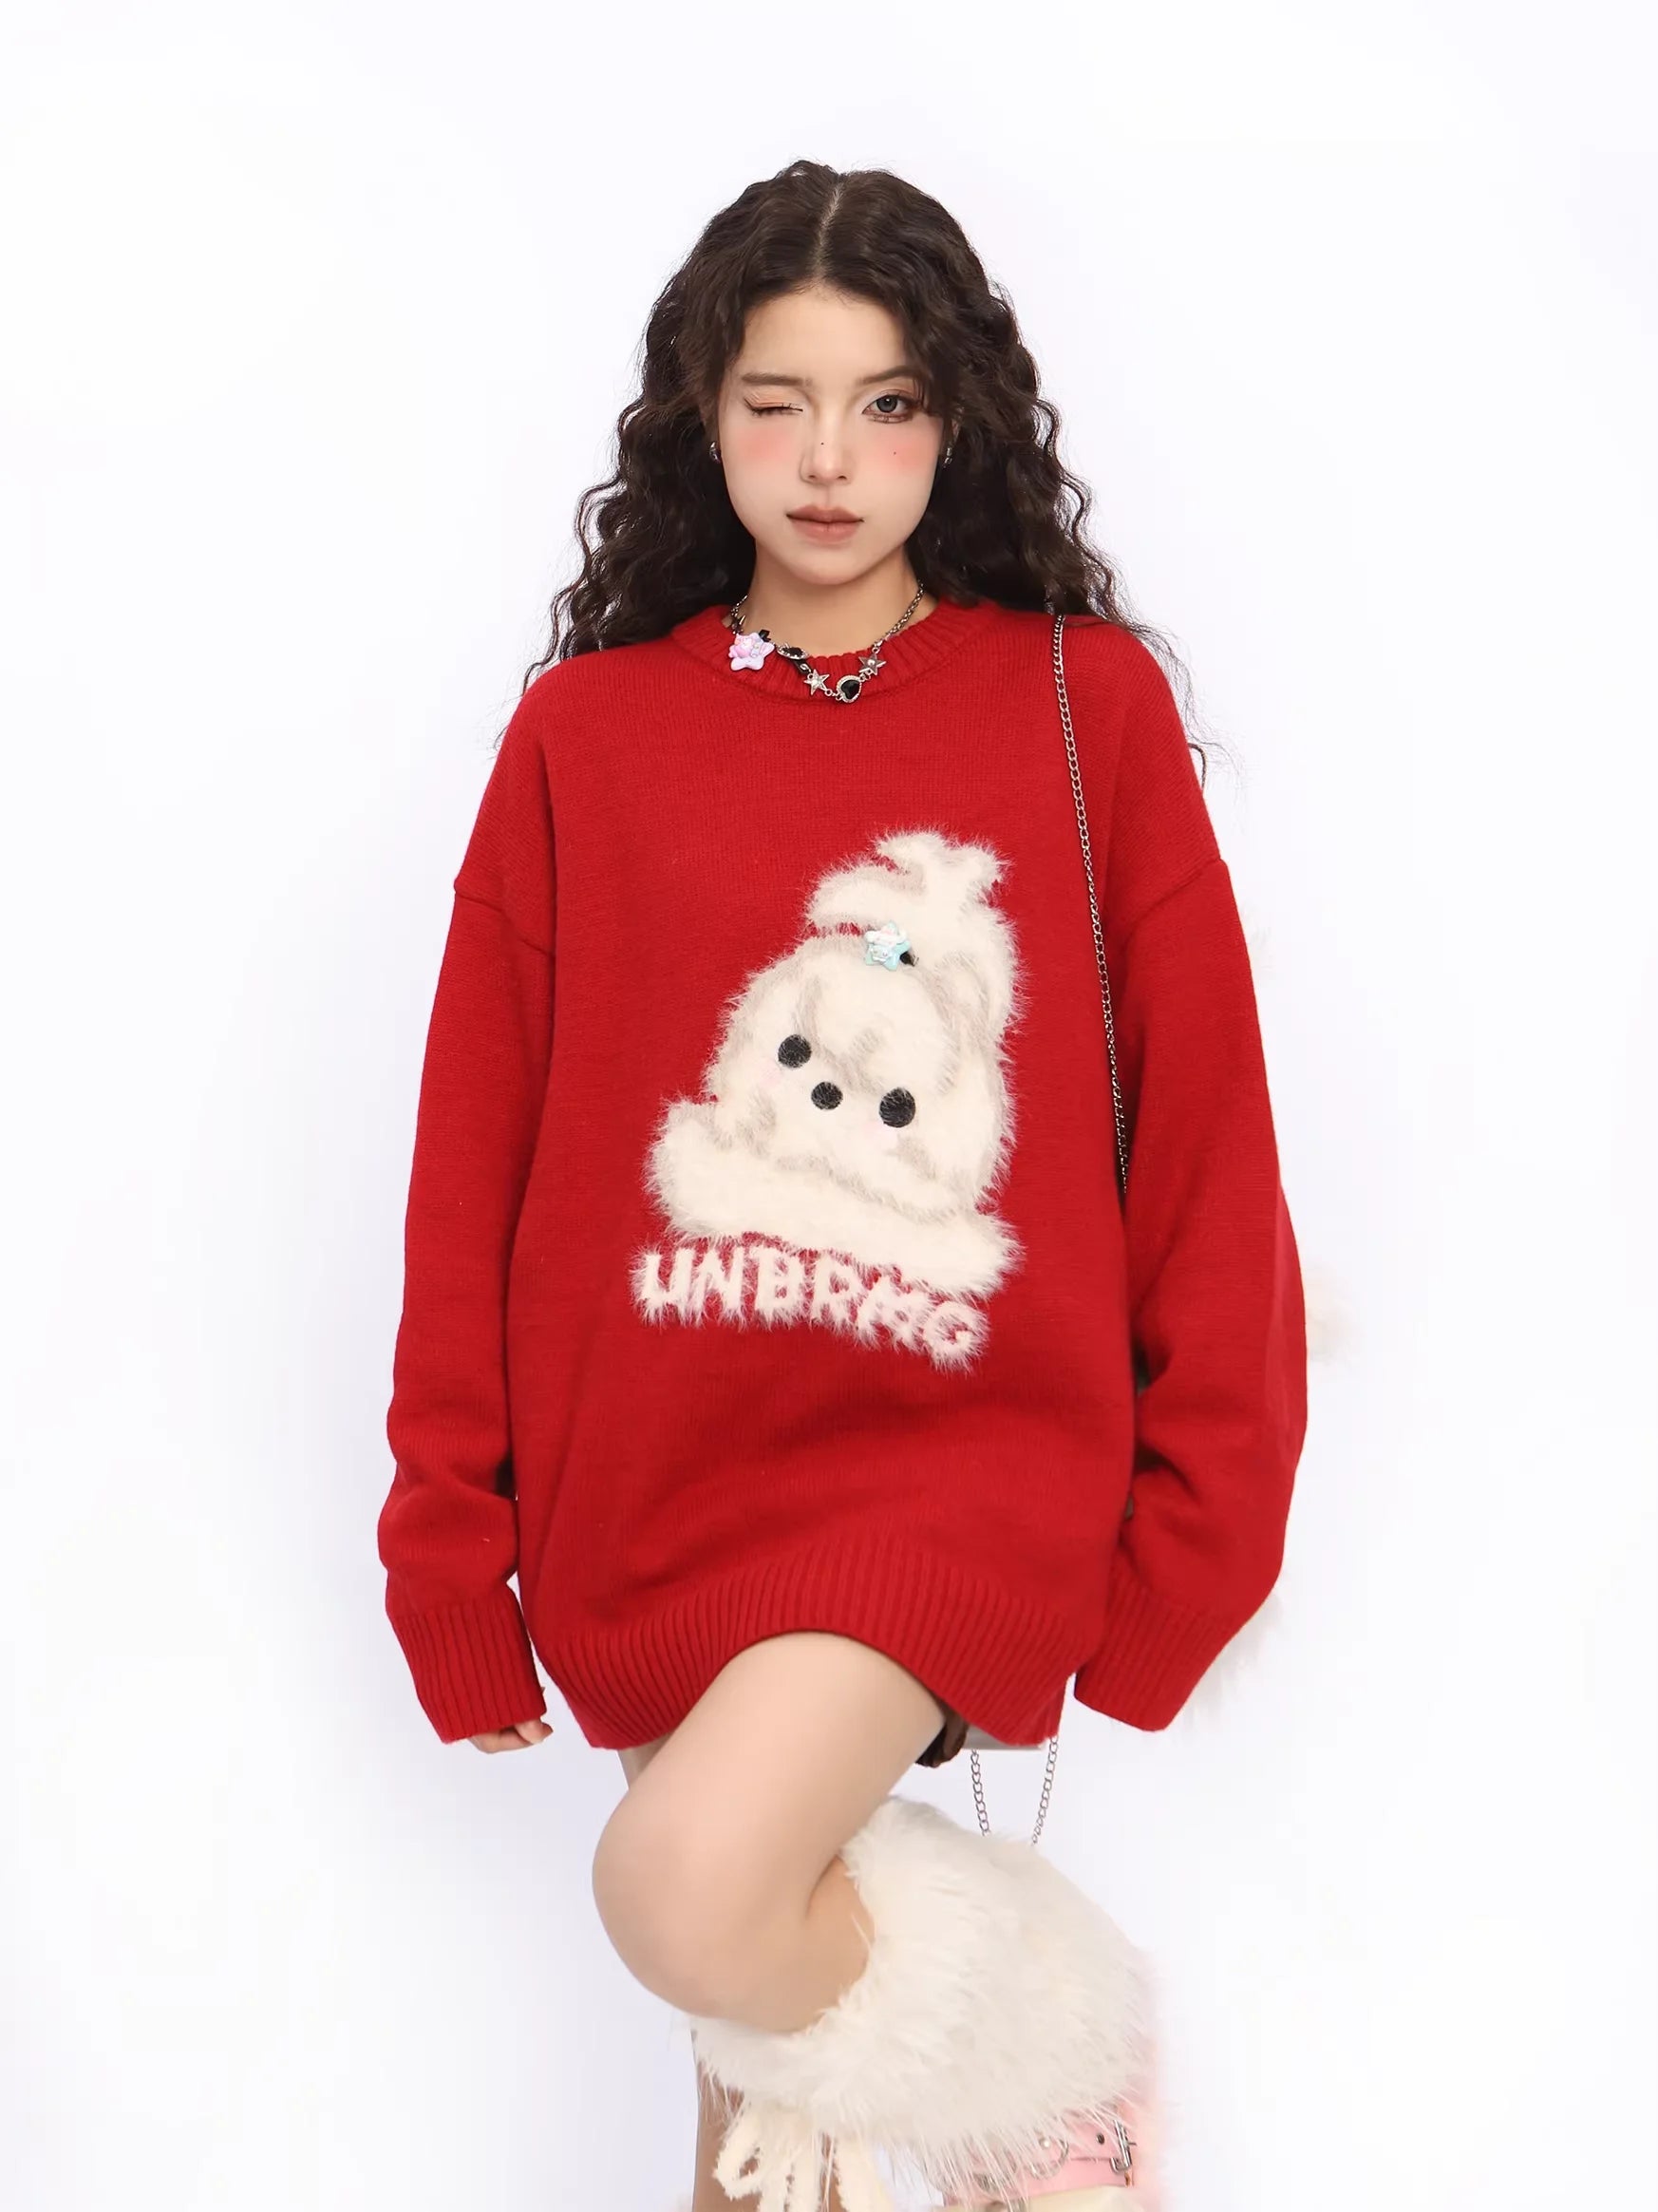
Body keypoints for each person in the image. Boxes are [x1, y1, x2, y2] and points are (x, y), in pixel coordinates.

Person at [376, 157, 1308, 2212]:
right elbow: (476, 1163)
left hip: (949, 1469)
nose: (827, 460)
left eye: (884, 403)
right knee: (757, 2127)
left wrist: (1199, 1532)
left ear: (954, 421)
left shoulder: (1078, 703)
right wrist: (452, 1551)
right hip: (650, 1486)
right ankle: (991, 2113)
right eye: (775, 401)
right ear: (700, 418)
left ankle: (1037, 2073)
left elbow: (1206, 1133)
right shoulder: (586, 737)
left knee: (690, 1892)